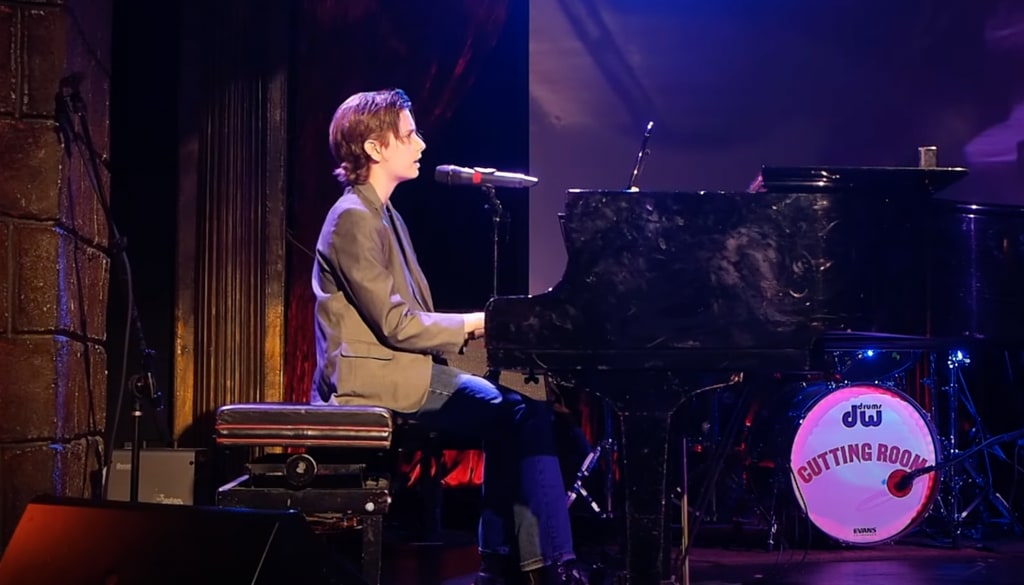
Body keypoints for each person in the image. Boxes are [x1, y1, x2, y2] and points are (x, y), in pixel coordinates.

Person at [310, 88, 588, 585]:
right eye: (409, 134)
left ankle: (504, 560)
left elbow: (412, 320)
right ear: (375, 148)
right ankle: (546, 565)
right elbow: (396, 325)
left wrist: (491, 345)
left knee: (528, 395)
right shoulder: (353, 218)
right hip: (375, 378)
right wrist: (476, 322)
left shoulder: (385, 215)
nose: (420, 144)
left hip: (401, 364)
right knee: (520, 412)